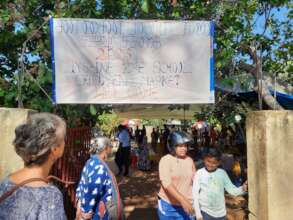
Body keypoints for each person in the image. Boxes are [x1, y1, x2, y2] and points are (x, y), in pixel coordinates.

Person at [0, 113, 67, 219]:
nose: (65, 142)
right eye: (64, 138)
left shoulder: (5, 183)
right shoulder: (50, 197)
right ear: (55, 149)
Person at [76, 136, 124, 220]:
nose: (111, 149)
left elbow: (82, 186)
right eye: (110, 147)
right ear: (105, 148)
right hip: (99, 214)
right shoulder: (99, 167)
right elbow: (90, 191)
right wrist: (85, 212)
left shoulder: (91, 161)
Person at [192, 148, 248, 220]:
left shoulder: (222, 173)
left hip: (221, 214)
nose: (211, 164)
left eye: (214, 162)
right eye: (208, 161)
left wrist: (243, 188)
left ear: (219, 163)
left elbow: (232, 190)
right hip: (205, 212)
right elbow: (195, 194)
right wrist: (198, 214)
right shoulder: (199, 173)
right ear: (204, 159)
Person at [158, 131, 196, 220]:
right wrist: (182, 200)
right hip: (168, 205)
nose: (184, 148)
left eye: (185, 145)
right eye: (180, 146)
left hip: (188, 203)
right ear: (172, 146)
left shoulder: (189, 160)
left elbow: (195, 180)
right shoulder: (165, 160)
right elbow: (167, 184)